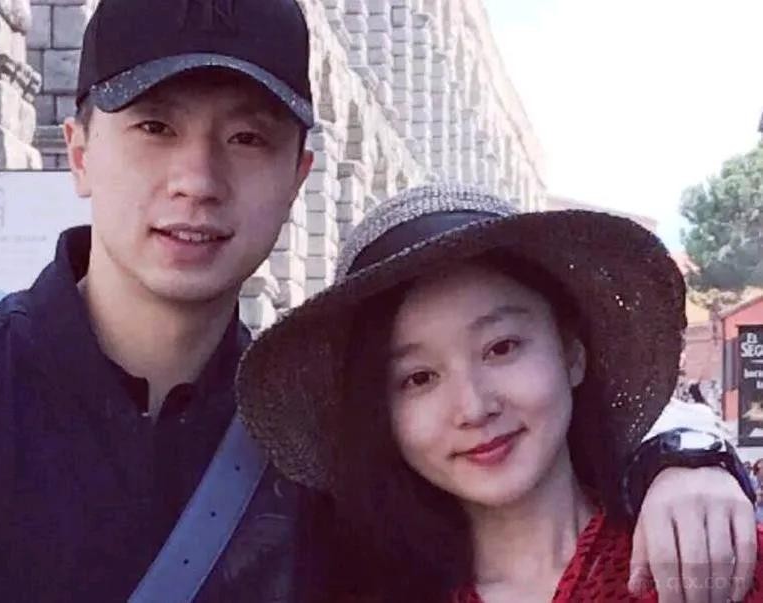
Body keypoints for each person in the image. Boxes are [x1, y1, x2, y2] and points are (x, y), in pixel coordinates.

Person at [0, 0, 754, 600]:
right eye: (155, 127)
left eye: (247, 136)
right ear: (79, 151)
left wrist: (682, 454)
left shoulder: (315, 467)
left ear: (298, 175)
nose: (197, 180)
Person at [237, 183, 762, 602]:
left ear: (572, 353)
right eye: (419, 378)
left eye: (502, 348)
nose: (473, 406)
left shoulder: (718, 569)